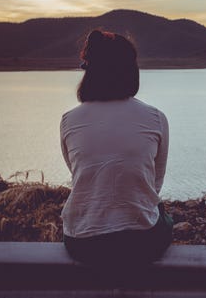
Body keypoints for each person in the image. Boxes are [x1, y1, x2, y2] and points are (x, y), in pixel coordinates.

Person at [60, 30, 172, 266]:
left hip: (81, 243)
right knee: (165, 218)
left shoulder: (69, 120)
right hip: (141, 243)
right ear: (131, 70)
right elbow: (155, 184)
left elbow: (79, 173)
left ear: (89, 72)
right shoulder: (155, 118)